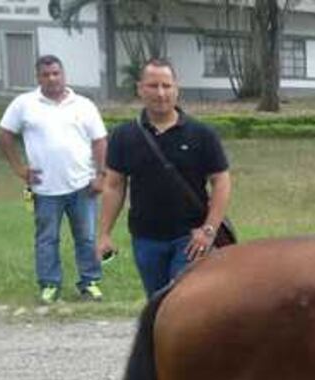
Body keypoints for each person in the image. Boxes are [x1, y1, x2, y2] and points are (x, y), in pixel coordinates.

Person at [97, 59, 232, 298]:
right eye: (153, 86)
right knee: (157, 302)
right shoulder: (123, 136)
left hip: (190, 237)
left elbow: (221, 181)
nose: (161, 93)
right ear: (140, 89)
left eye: (166, 86)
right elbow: (114, 186)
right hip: (146, 238)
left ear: (176, 88)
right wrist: (105, 233)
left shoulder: (202, 134)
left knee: (183, 300)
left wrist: (208, 230)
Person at [0, 55, 108, 304]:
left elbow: (100, 140)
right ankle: (49, 284)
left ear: (63, 74)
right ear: (38, 77)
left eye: (56, 73)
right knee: (47, 239)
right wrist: (19, 168)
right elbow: (4, 135)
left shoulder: (83, 104)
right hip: (45, 188)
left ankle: (89, 282)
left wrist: (101, 175)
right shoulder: (24, 104)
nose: (52, 78)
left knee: (87, 237)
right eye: (46, 74)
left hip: (82, 186)